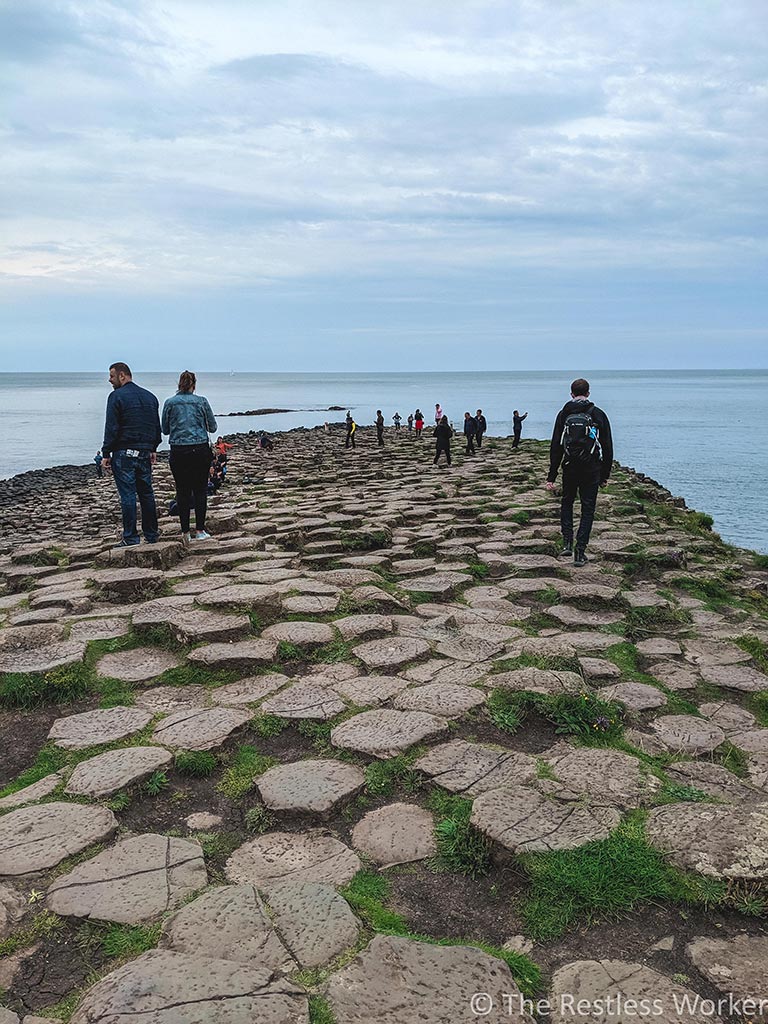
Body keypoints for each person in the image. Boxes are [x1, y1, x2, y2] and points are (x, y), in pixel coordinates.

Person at [546, 378, 613, 567]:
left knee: (567, 502)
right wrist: (605, 474)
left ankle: (567, 542)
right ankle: (580, 550)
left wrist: (552, 475)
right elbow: (607, 446)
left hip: (569, 466)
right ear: (588, 393)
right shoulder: (598, 414)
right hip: (591, 467)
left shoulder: (563, 414)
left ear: (571, 394)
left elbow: (556, 445)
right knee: (587, 508)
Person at [102, 362, 161, 547]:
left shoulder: (116, 396)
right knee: (146, 493)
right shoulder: (150, 397)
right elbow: (155, 426)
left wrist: (106, 452)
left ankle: (131, 537)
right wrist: (153, 448)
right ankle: (151, 534)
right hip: (144, 451)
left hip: (124, 452)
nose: (109, 380)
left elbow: (112, 427)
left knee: (128, 495)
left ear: (122, 376)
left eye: (112, 376)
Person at [161, 370, 217, 543]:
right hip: (199, 449)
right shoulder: (201, 402)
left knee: (182, 490)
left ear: (179, 384)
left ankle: (185, 531)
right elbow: (213, 427)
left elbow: (165, 429)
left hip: (179, 450)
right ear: (194, 384)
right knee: (200, 490)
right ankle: (200, 529)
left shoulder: (170, 403)